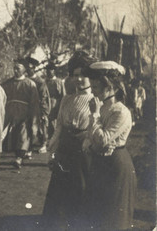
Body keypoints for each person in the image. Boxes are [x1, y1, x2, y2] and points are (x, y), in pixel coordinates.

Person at [42, 51, 96, 229]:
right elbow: (59, 126)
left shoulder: (96, 100)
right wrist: (52, 148)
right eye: (75, 75)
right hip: (65, 150)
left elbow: (95, 128)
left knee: (79, 191)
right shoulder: (66, 99)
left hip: (83, 151)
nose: (79, 79)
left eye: (83, 75)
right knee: (58, 193)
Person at [83, 61, 136, 230]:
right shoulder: (102, 107)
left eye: (96, 88)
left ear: (110, 87)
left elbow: (101, 139)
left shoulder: (120, 111)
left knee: (113, 218)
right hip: (100, 164)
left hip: (116, 166)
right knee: (97, 214)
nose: (92, 91)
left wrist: (95, 115)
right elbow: (90, 136)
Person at [1, 59, 40, 168]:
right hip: (9, 113)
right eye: (15, 68)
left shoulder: (30, 84)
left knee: (23, 135)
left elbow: (34, 103)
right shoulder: (7, 83)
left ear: (24, 70)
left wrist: (33, 117)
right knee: (6, 135)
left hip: (24, 114)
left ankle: (18, 159)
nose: (15, 70)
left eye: (18, 68)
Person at [24, 56, 51, 155]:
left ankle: (43, 144)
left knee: (42, 127)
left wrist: (44, 112)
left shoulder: (40, 82)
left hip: (38, 108)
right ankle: (29, 147)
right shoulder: (25, 80)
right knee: (27, 127)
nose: (28, 70)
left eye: (30, 68)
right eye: (27, 68)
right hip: (27, 108)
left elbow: (43, 97)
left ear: (34, 68)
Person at [45, 62, 65, 146]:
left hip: (55, 103)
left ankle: (55, 140)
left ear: (54, 71)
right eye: (48, 70)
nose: (49, 72)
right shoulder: (44, 81)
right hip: (46, 103)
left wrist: (61, 105)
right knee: (46, 123)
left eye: (51, 70)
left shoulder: (59, 82)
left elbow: (63, 94)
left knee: (54, 122)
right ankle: (47, 140)